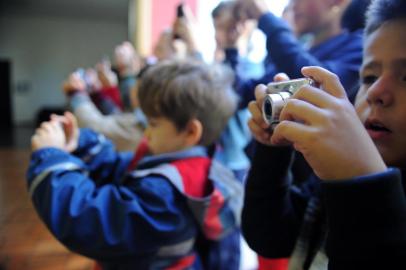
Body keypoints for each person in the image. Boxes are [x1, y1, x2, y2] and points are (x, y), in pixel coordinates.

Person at [27, 60, 243, 269]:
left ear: (190, 132)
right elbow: (123, 168)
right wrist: (81, 143)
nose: (146, 132)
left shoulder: (165, 194)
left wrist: (51, 159)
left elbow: (91, 221)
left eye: (153, 124)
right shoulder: (190, 164)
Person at [242, 0, 406, 268]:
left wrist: (364, 180)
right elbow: (270, 237)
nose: (376, 92)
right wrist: (272, 149)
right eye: (369, 77)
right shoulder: (327, 182)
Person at [230, 0, 362, 108]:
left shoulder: (359, 46)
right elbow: (241, 94)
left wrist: (265, 18)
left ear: (337, 2)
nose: (294, 5)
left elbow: (320, 85)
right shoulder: (302, 50)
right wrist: (230, 45)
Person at [62, 70, 146, 151]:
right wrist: (97, 94)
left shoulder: (145, 124)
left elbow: (97, 129)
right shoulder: (143, 116)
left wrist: (77, 94)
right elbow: (117, 117)